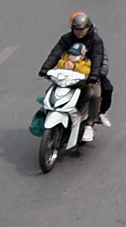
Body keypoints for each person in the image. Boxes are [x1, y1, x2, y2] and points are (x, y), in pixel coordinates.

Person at [40, 11, 111, 141]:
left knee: (95, 95)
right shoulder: (66, 38)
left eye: (81, 29)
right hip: (67, 77)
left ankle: (90, 124)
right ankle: (46, 116)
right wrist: (45, 68)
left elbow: (98, 58)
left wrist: (94, 75)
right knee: (50, 92)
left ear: (88, 28)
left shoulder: (95, 41)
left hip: (87, 77)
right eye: (75, 29)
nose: (78, 32)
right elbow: (55, 53)